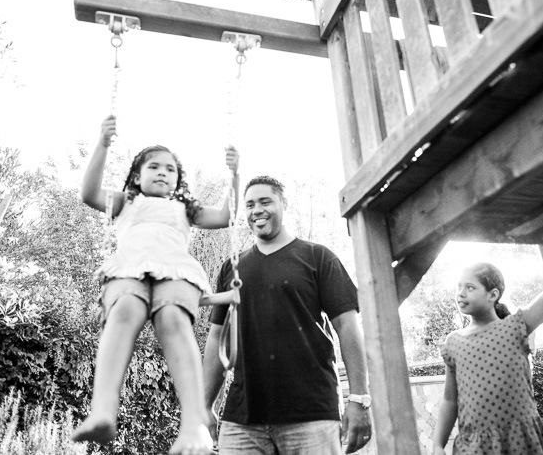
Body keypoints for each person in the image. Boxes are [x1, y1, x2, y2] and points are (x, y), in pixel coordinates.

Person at [72, 114, 239, 455]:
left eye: (170, 169)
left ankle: (194, 424)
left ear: (178, 179)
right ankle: (103, 409)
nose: (162, 172)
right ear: (137, 175)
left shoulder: (186, 208)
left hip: (175, 272)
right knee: (124, 313)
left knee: (174, 321)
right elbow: (88, 194)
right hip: (130, 270)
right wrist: (102, 145)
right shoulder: (126, 201)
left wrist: (235, 175)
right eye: (154, 167)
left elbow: (225, 216)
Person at [202, 176, 373, 454]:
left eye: (265, 201)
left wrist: (359, 398)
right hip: (242, 419)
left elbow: (348, 326)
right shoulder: (231, 268)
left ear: (284, 204)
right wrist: (204, 404)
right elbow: (217, 338)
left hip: (312, 415)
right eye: (250, 205)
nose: (257, 210)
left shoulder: (318, 257)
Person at [433, 246, 543, 455]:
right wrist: (437, 445)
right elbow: (450, 400)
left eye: (470, 287)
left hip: (523, 442)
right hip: (476, 447)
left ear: (492, 294)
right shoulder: (454, 342)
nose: (460, 293)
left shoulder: (515, 327)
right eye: (458, 286)